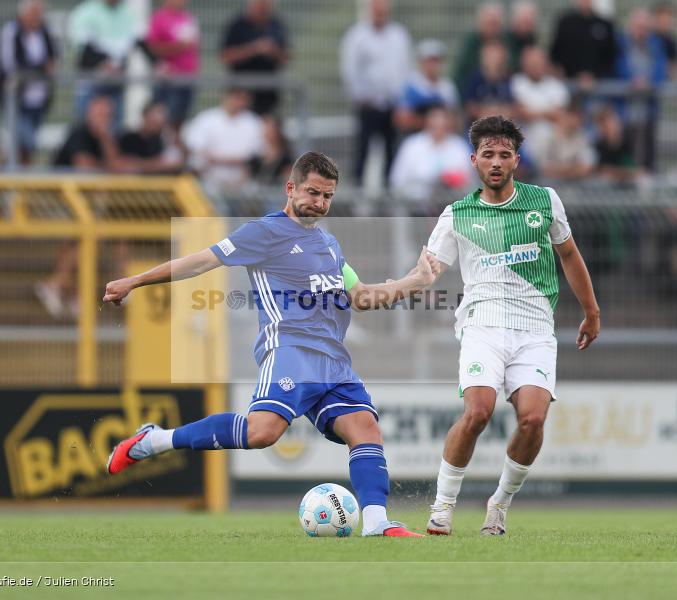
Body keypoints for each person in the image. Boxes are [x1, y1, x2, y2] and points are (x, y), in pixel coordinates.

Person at [103, 151, 436, 538]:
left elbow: (360, 296)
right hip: (290, 350)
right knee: (262, 433)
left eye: (328, 196)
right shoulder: (264, 232)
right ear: (290, 188)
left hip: (332, 359)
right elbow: (199, 262)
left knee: (365, 428)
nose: (320, 203)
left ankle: (377, 524)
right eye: (313, 193)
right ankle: (154, 440)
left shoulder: (329, 244)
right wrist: (135, 281)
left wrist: (414, 281)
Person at [423, 115, 600, 536]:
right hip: (483, 324)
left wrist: (591, 311)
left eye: (504, 154)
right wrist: (385, 291)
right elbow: (426, 273)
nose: (496, 161)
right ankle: (443, 506)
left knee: (533, 420)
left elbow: (570, 255)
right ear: (474, 161)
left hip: (535, 327)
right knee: (478, 412)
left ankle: (498, 506)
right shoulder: (457, 214)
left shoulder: (544, 201)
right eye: (488, 154)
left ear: (517, 160)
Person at [340, 0, 413, 185]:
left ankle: (388, 194)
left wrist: (402, 100)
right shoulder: (357, 36)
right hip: (367, 105)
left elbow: (404, 69)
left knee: (392, 152)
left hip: (392, 104)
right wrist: (359, 95)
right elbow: (349, 69)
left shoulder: (399, 35)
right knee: (362, 152)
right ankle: (357, 195)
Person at [0, 0, 56, 164]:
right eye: (33, 13)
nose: (37, 17)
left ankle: (18, 178)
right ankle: (9, 173)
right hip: (16, 99)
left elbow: (53, 60)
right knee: (23, 142)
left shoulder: (45, 31)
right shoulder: (12, 31)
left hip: (38, 101)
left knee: (27, 146)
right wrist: (39, 68)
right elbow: (11, 66)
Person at [68, 0, 141, 125]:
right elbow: (82, 48)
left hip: (115, 83)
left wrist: (158, 64)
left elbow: (139, 40)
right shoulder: (86, 12)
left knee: (114, 127)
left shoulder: (127, 13)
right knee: (88, 127)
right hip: (92, 81)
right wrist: (104, 63)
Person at [613, 8, 669, 171]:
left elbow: (661, 69)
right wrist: (631, 80)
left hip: (648, 110)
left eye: (644, 27)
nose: (641, 31)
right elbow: (617, 68)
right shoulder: (621, 45)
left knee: (648, 152)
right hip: (625, 110)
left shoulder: (655, 46)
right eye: (638, 26)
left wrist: (649, 82)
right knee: (626, 151)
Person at [390, 105, 474, 208]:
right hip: (415, 207)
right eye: (434, 119)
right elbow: (397, 179)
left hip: (451, 207)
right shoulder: (411, 145)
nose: (439, 125)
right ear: (426, 121)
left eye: (443, 120)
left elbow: (468, 179)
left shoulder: (459, 146)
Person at [183, 88, 264, 193]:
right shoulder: (206, 118)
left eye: (243, 99)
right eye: (236, 97)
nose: (238, 102)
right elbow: (195, 147)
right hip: (210, 182)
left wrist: (222, 160)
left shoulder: (253, 122)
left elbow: (257, 153)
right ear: (226, 97)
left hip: (242, 183)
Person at [220, 0, 291, 115]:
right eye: (259, 5)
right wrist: (253, 49)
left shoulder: (276, 25)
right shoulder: (237, 26)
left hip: (269, 95)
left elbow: (287, 57)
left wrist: (272, 50)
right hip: (241, 94)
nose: (262, 9)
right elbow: (225, 56)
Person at [146, 0, 200, 129]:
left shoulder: (188, 18)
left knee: (181, 119)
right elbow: (153, 48)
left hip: (187, 77)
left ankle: (174, 146)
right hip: (168, 79)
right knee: (164, 118)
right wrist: (178, 47)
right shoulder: (159, 18)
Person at [394, 39, 460, 135]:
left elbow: (455, 118)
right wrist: (429, 122)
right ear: (421, 62)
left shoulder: (447, 87)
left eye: (436, 61)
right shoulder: (411, 85)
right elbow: (401, 118)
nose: (433, 65)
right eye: (429, 61)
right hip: (414, 135)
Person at [550, 0, 618, 87]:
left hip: (599, 84)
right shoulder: (564, 23)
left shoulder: (605, 25)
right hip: (569, 82)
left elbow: (611, 56)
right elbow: (556, 52)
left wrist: (594, 75)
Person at [53, 95, 125, 171]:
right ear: (89, 114)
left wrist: (105, 138)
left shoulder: (109, 138)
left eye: (108, 115)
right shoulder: (79, 134)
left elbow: (117, 165)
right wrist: (109, 166)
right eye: (100, 114)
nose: (103, 119)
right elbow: (84, 167)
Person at [452, 3, 505, 98]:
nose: (493, 28)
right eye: (490, 23)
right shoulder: (470, 45)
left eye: (495, 24)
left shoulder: (504, 42)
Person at [532, 105, 596, 181]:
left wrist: (566, 171)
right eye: (573, 117)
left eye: (579, 118)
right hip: (550, 184)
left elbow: (585, 167)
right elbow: (543, 168)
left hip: (575, 184)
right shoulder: (548, 136)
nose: (576, 121)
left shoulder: (581, 138)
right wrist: (571, 169)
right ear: (565, 116)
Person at [118, 101, 184, 174]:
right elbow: (123, 164)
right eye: (156, 114)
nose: (160, 119)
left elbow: (175, 163)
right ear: (145, 115)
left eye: (162, 115)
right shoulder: (128, 139)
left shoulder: (163, 140)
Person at [464, 42, 515, 124]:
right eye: (489, 55)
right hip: (479, 127)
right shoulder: (476, 79)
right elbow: (470, 107)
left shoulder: (508, 79)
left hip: (503, 127)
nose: (492, 59)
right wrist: (487, 114)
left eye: (495, 55)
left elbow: (513, 109)